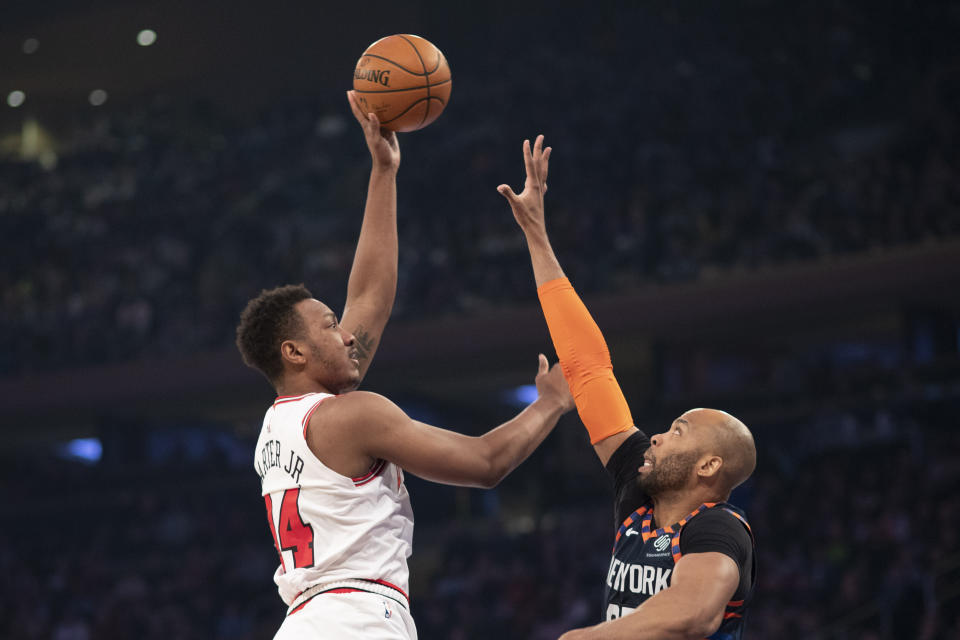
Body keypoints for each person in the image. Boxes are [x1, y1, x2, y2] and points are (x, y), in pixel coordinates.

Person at [235, 97, 574, 640]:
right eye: (327, 325)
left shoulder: (280, 426)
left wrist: (384, 172)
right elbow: (485, 462)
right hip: (357, 620)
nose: (346, 332)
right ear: (293, 353)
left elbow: (368, 297)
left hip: (307, 621)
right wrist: (551, 404)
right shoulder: (352, 417)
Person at [498, 136, 758, 640]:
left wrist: (582, 638)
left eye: (678, 433)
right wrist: (535, 233)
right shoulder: (638, 493)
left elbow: (695, 614)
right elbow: (589, 367)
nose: (657, 437)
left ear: (708, 466)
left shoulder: (718, 528)